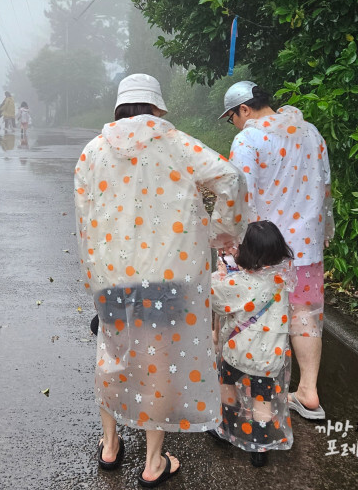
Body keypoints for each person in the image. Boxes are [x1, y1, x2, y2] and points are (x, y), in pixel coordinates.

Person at [75, 73, 247, 486]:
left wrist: (94, 270)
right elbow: (231, 178)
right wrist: (221, 236)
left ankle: (110, 446)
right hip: (168, 272)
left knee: (111, 353)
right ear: (156, 107)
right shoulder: (176, 143)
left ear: (119, 108)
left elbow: (85, 217)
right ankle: (153, 463)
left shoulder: (93, 151)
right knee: (156, 363)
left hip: (113, 274)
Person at [219, 81, 334, 420]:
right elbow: (325, 187)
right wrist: (323, 230)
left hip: (263, 249)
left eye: (232, 117)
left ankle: (253, 401)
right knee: (306, 315)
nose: (235, 124)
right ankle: (308, 392)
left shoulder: (248, 139)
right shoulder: (311, 132)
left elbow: (240, 196)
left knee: (256, 317)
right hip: (307, 247)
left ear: (244, 109)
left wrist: (229, 244)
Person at [211, 221, 297, 468]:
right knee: (262, 398)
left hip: (238, 352)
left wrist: (221, 273)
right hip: (270, 356)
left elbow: (216, 298)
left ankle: (225, 429)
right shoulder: (281, 278)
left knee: (226, 382)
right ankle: (260, 447)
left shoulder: (241, 283)